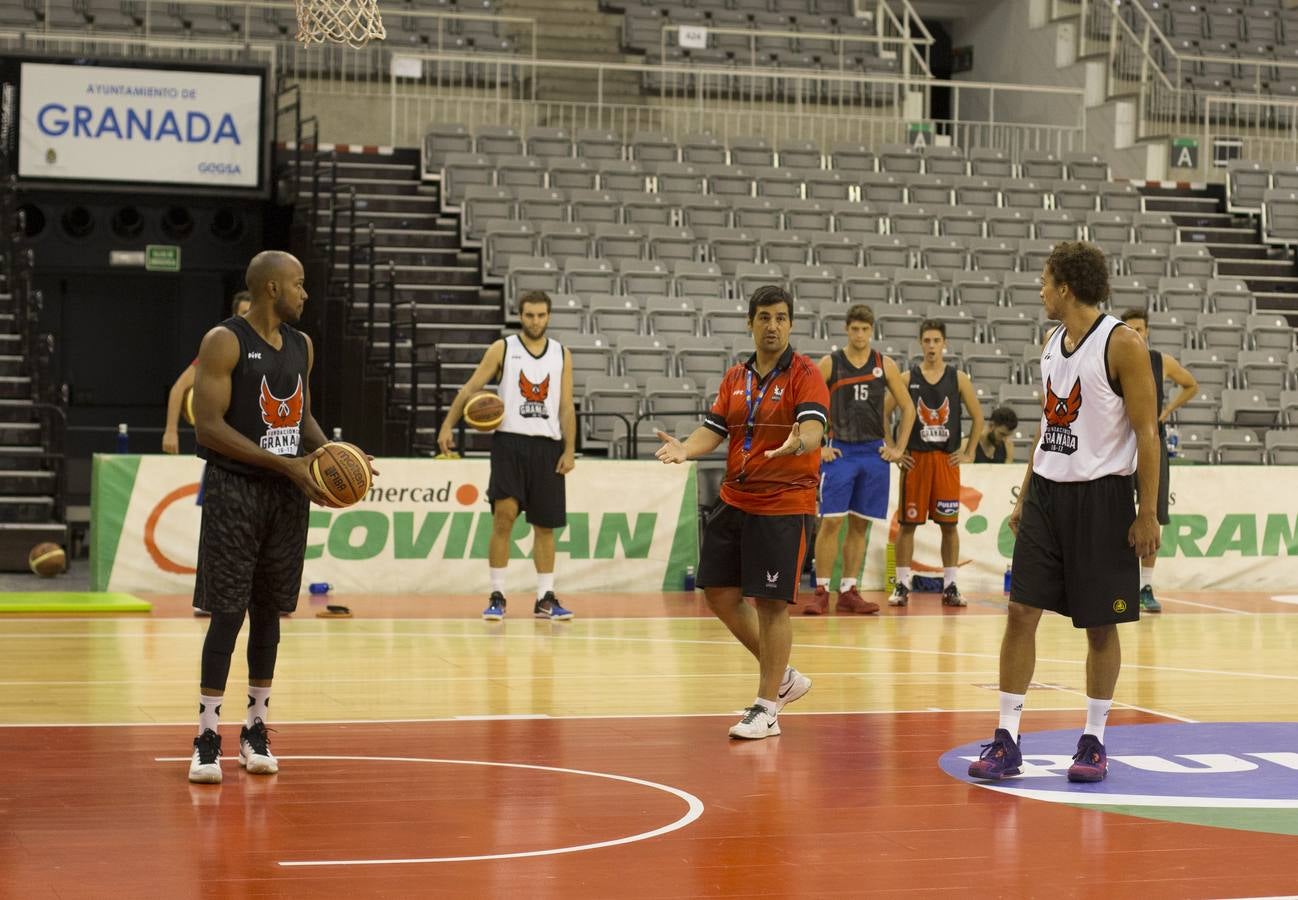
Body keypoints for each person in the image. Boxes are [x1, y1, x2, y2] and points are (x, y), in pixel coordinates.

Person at [968, 242, 1161, 784]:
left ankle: (1094, 740)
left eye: (1045, 281)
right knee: (1020, 613)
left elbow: (1148, 433)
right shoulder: (1052, 342)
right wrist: (1026, 493)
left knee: (1100, 625)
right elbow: (1051, 425)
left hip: (1103, 499)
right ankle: (1007, 738)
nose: (1040, 290)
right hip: (1049, 497)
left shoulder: (1123, 344)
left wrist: (1147, 513)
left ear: (1066, 288)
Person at [188, 252, 344, 784]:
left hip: (286, 497)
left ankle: (255, 729)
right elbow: (208, 427)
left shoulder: (302, 346)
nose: (306, 294)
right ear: (273, 288)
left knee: (270, 613)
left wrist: (331, 455)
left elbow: (299, 415)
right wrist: (289, 465)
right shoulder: (224, 341)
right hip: (236, 492)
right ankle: (207, 735)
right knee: (227, 613)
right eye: (299, 285)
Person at [655, 285, 826, 739]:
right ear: (750, 322)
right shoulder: (735, 378)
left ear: (790, 324)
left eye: (782, 318)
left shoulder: (806, 373)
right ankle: (785, 678)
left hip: (783, 503)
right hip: (735, 499)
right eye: (765, 317)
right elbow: (714, 430)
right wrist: (685, 449)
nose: (773, 326)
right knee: (718, 594)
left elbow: (812, 427)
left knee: (771, 605)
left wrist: (801, 442)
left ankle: (767, 707)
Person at [437, 290, 577, 621]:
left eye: (541, 315)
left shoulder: (561, 353)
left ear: (549, 316)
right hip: (509, 444)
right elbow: (470, 389)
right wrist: (447, 426)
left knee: (545, 526)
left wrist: (570, 449)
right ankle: (497, 594)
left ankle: (545, 598)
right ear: (520, 315)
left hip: (548, 446)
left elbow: (566, 405)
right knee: (504, 517)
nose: (535, 321)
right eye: (529, 315)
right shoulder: (504, 348)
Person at [807, 304, 915, 616]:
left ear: (872, 330)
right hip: (840, 451)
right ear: (846, 329)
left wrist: (897, 449)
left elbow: (907, 407)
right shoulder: (830, 363)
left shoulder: (885, 364)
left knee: (859, 526)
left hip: (873, 453)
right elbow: (805, 403)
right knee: (831, 522)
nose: (859, 334)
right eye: (854, 328)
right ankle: (820, 591)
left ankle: (848, 591)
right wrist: (818, 448)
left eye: (865, 329)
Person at [884, 320, 985, 608]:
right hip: (915, 460)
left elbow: (978, 418)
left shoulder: (958, 378)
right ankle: (902, 584)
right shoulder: (907, 378)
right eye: (926, 340)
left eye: (936, 341)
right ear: (920, 343)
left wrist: (969, 452)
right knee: (907, 525)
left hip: (945, 460)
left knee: (949, 525)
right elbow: (884, 411)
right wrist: (894, 448)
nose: (931, 346)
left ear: (945, 344)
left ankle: (951, 584)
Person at [1119, 308, 1199, 614]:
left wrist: (1166, 413)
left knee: (1151, 513)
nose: (1135, 334)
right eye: (1130, 329)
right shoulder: (1116, 357)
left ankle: (1145, 585)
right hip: (1121, 444)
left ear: (1147, 331)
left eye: (1139, 329)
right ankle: (1118, 581)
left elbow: (1191, 384)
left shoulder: (1160, 361)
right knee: (1118, 512)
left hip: (1153, 444)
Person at [164, 291, 253, 454]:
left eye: (252, 312)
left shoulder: (270, 347)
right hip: (225, 438)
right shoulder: (221, 348)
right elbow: (178, 388)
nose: (248, 318)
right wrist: (171, 432)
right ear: (235, 316)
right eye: (244, 313)